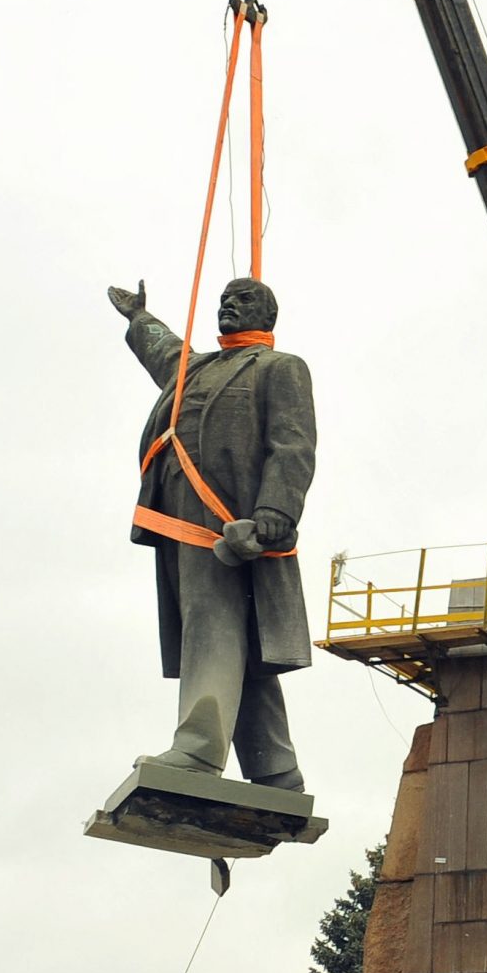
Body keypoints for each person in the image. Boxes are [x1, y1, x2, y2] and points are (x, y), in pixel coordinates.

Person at [109, 276, 316, 790]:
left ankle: (198, 751)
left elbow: (293, 444)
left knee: (213, 628)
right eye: (224, 299)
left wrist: (275, 512)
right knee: (237, 644)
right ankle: (276, 770)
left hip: (229, 526)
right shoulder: (197, 369)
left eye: (242, 299)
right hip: (180, 522)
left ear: (266, 314)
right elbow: (166, 355)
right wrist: (139, 318)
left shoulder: (279, 368)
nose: (228, 304)